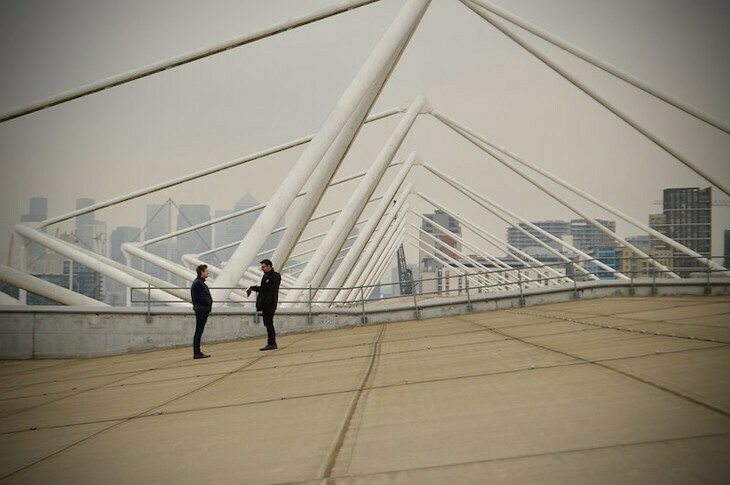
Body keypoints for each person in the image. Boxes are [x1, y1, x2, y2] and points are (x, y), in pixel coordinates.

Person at [247, 259, 281, 350]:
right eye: (262, 267)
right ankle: (271, 343)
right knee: (267, 323)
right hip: (265, 304)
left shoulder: (275, 276)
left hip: (269, 304)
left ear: (269, 266)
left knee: (269, 323)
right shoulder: (265, 276)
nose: (262, 268)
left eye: (264, 267)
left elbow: (270, 290)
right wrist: (253, 288)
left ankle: (271, 343)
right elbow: (263, 289)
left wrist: (267, 302)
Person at [190, 264, 212, 359]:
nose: (207, 272)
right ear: (201, 272)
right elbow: (198, 298)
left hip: (202, 309)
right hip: (201, 310)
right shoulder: (198, 283)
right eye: (206, 271)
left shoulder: (200, 283)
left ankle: (197, 352)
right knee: (199, 330)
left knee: (199, 330)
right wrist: (207, 303)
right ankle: (197, 352)